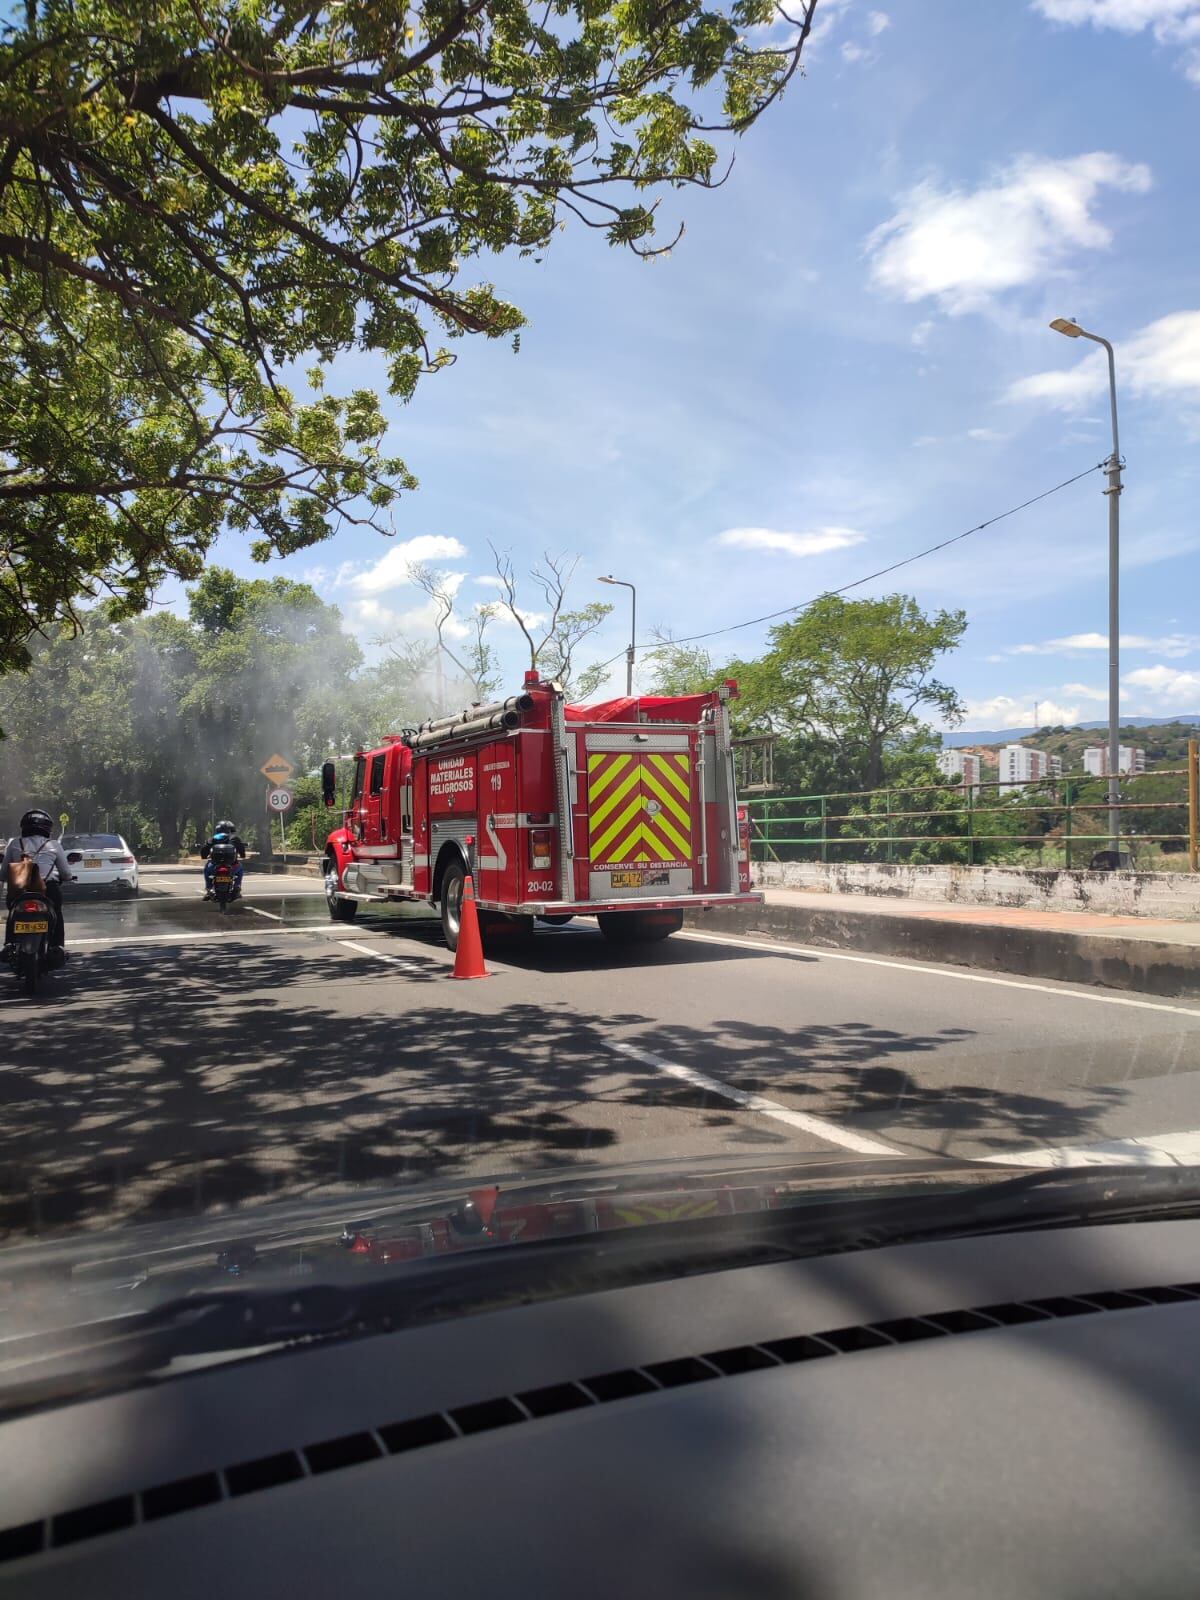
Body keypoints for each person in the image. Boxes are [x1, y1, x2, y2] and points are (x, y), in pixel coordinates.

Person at [1, 809, 75, 962]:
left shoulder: (15, 843)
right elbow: (66, 874)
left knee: (13, 914)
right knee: (56, 912)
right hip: (48, 889)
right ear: (47, 828)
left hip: (19, 891)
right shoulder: (53, 845)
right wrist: (65, 877)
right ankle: (57, 947)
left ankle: (8, 944)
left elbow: (3, 874)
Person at [200, 819, 247, 898]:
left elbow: (204, 850)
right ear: (229, 829)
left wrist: (204, 856)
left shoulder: (212, 838)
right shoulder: (235, 838)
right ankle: (237, 886)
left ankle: (209, 888)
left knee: (206, 870)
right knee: (240, 869)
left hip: (214, 867)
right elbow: (241, 849)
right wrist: (242, 855)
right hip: (232, 866)